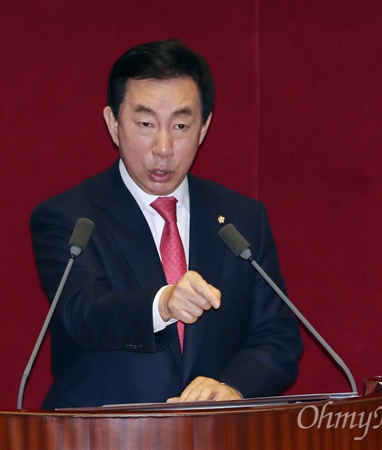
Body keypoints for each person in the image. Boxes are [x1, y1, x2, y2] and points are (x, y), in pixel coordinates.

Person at [30, 39, 303, 409]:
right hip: (101, 439)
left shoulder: (242, 220)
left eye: (180, 125)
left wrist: (232, 388)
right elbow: (85, 314)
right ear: (113, 124)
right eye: (145, 123)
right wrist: (164, 304)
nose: (163, 146)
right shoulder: (70, 218)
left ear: (204, 128)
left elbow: (278, 337)